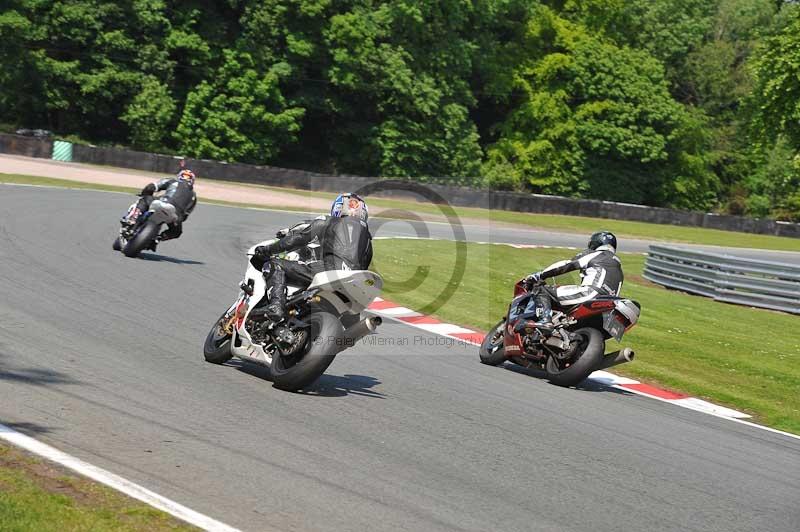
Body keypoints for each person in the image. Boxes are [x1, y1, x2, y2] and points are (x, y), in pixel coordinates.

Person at [253, 193, 373, 321]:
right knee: (350, 323)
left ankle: (276, 305)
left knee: (274, 265)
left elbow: (296, 240)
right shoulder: (368, 242)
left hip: (327, 272)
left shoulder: (328, 221)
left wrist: (266, 250)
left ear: (338, 208)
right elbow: (364, 265)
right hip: (352, 285)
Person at [523, 231, 623, 328]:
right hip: (607, 306)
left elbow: (567, 265)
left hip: (590, 294)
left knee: (542, 290)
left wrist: (539, 275)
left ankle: (545, 320)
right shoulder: (619, 269)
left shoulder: (594, 254)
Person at [133, 166, 198, 249]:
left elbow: (151, 187)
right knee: (176, 232)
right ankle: (157, 239)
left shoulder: (173, 181)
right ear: (192, 181)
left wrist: (145, 193)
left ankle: (133, 218)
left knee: (145, 199)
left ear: (179, 176)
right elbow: (185, 216)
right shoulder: (193, 196)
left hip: (161, 204)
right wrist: (177, 220)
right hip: (175, 215)